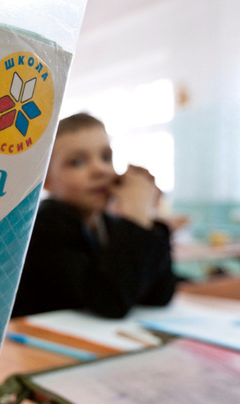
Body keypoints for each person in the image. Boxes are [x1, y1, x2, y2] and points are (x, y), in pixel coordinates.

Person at [11, 113, 177, 319]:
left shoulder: (109, 224)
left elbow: (159, 295)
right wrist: (135, 218)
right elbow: (111, 301)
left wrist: (146, 217)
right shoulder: (44, 225)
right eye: (78, 162)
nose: (100, 170)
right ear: (46, 180)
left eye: (106, 157)